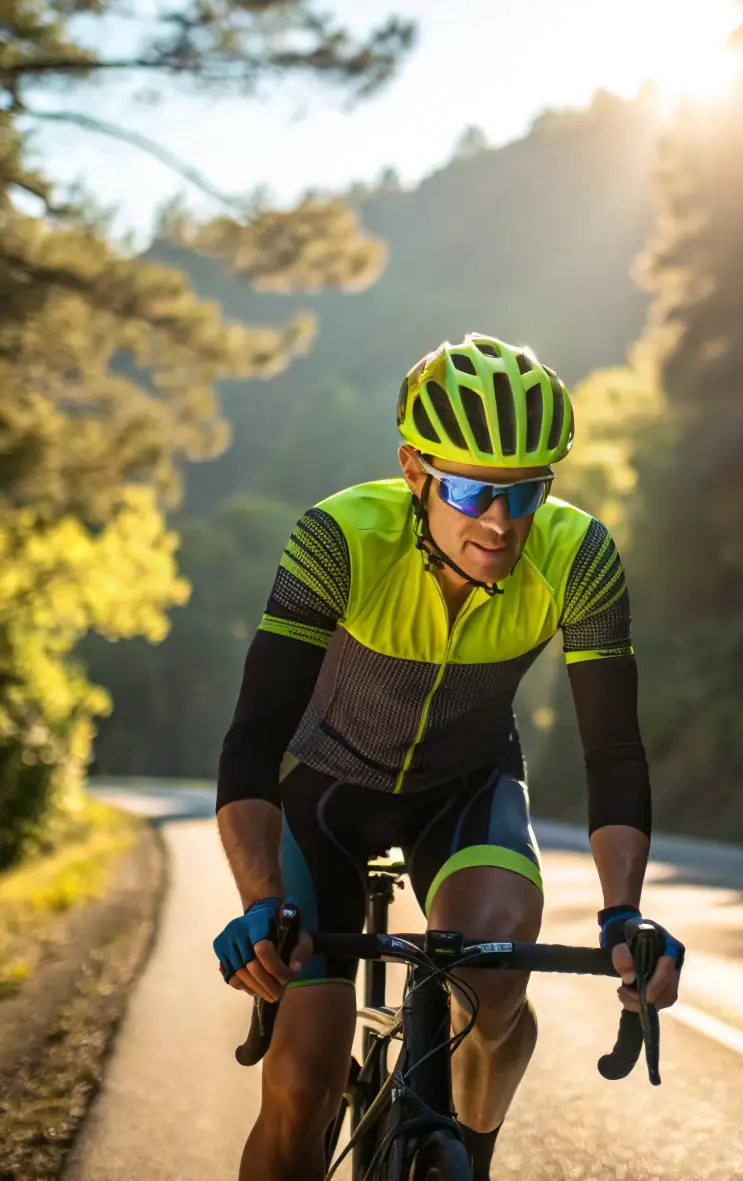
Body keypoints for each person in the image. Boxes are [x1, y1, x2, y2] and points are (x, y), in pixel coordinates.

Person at [213, 332, 683, 1181]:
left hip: (464, 791)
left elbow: (612, 749)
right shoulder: (338, 538)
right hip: (322, 796)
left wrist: (624, 914)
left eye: (527, 491)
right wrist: (260, 901)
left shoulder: (578, 557)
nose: (501, 522)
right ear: (415, 470)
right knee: (299, 1084)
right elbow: (253, 736)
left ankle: (466, 1153)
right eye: (472, 489)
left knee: (494, 980)